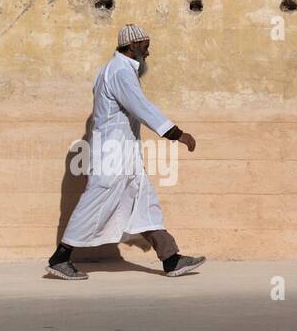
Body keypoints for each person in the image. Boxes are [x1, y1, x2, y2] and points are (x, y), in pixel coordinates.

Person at [45, 24, 206, 279]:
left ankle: (171, 258)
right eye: (145, 45)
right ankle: (60, 258)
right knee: (94, 203)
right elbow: (141, 107)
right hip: (113, 153)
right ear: (132, 46)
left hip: (124, 152)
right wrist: (176, 134)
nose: (148, 51)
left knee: (144, 201)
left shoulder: (113, 69)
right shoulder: (120, 71)